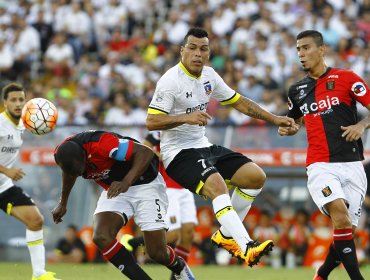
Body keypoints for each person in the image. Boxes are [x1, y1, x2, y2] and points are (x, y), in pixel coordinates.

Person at [146, 27, 294, 267]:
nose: (198, 53)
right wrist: (186, 117)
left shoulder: (210, 76)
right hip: (178, 154)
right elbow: (152, 120)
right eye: (192, 48)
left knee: (255, 177)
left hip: (203, 146)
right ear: (182, 51)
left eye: (203, 49)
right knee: (217, 186)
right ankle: (245, 245)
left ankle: (226, 236)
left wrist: (275, 119)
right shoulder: (169, 81)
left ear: (209, 53)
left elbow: (240, 103)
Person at [278, 30, 368, 280]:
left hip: (352, 164)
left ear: (321, 49)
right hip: (320, 165)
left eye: (306, 48)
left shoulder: (347, 78)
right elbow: (293, 120)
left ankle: (322, 275)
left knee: (346, 230)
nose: (301, 54)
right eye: (298, 49)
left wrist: (361, 126)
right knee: (339, 215)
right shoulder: (296, 90)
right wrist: (289, 127)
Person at [51, 130, 195, 280]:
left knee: (157, 252)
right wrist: (63, 203)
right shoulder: (62, 155)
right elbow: (69, 173)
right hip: (115, 188)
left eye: (79, 169)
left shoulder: (102, 144)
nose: (79, 173)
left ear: (84, 155)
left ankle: (180, 267)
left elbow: (145, 152)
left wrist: (126, 182)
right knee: (101, 236)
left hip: (146, 183)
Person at [0, 82, 59, 280]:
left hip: (3, 186)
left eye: (21, 100)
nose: (18, 103)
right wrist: (6, 169)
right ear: (5, 103)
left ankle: (39, 274)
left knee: (36, 220)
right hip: (5, 176)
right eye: (13, 100)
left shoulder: (22, 123)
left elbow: (40, 123)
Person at [122, 131, 198, 280]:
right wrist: (163, 157)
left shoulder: (190, 131)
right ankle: (136, 242)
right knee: (173, 235)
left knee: (188, 233)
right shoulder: (159, 132)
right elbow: (144, 148)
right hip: (169, 188)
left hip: (185, 187)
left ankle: (177, 275)